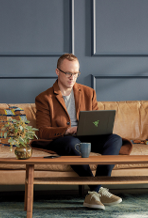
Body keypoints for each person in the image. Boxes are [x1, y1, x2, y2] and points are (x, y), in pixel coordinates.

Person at [34, 53, 125, 210]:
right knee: (72, 143)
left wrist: (98, 128)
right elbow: (42, 132)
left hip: (87, 136)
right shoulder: (44, 98)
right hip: (64, 139)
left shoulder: (89, 93)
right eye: (68, 73)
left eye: (75, 73)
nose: (72, 77)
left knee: (115, 139)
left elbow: (96, 120)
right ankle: (98, 190)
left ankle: (94, 193)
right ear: (57, 72)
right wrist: (68, 130)